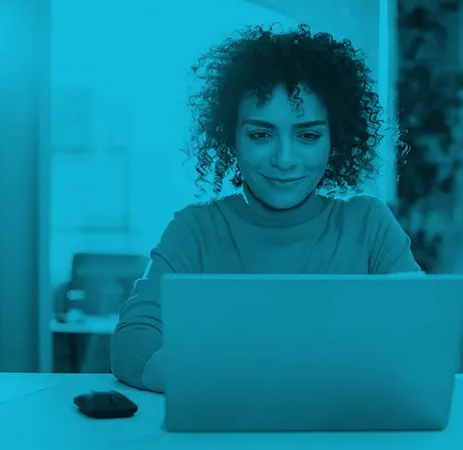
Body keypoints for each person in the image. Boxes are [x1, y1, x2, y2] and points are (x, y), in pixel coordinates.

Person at [110, 24, 422, 392]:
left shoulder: (368, 225)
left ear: (335, 140)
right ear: (231, 138)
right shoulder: (196, 230)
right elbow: (134, 341)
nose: (285, 159)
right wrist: (225, 383)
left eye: (308, 136)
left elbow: (423, 337)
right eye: (261, 135)